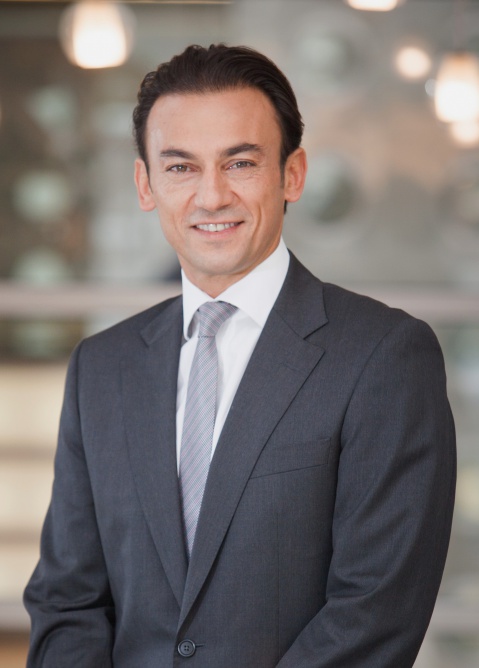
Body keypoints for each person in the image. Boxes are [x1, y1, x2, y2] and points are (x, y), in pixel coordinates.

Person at [24, 44, 456, 667]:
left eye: (241, 163)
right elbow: (68, 601)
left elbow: (375, 614)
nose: (212, 196)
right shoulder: (102, 367)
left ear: (293, 174)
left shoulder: (384, 357)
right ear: (146, 184)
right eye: (181, 167)